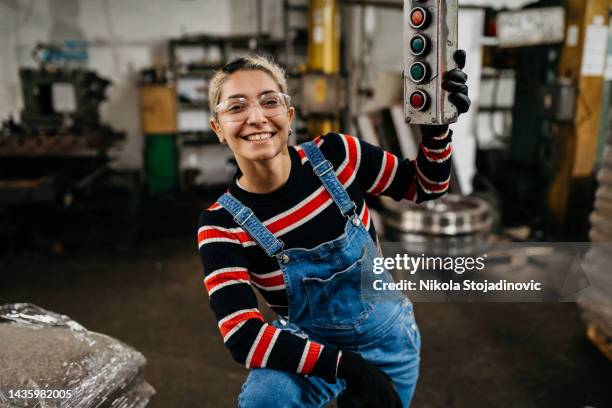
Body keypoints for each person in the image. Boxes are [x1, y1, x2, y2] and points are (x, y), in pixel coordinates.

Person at [197, 53, 470, 407]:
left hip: (388, 342)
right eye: (236, 107)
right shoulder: (221, 224)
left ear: (289, 116)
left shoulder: (339, 157)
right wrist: (351, 369)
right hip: (309, 352)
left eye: (269, 101)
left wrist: (437, 129)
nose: (256, 117)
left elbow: (425, 186)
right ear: (218, 127)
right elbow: (243, 336)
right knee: (265, 399)